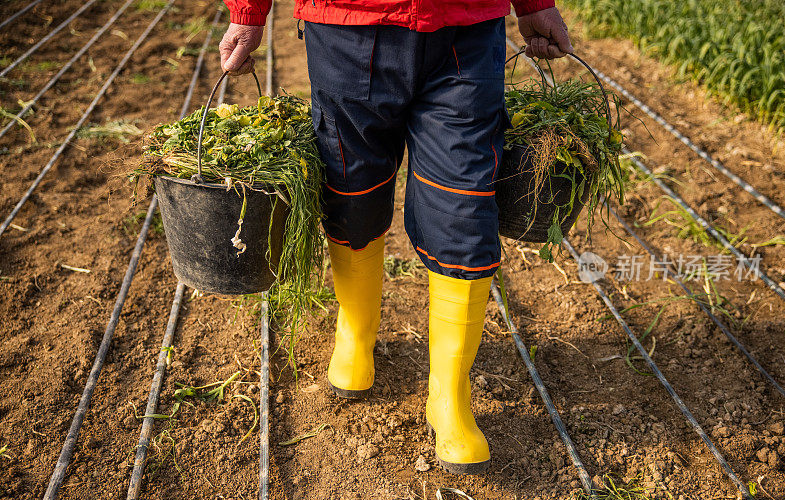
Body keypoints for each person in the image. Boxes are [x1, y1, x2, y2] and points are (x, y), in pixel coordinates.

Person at [220, 0, 572, 475]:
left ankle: (449, 394)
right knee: (351, 194)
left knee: (463, 207)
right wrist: (247, 11)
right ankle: (355, 332)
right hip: (346, 27)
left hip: (464, 31)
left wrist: (535, 5)